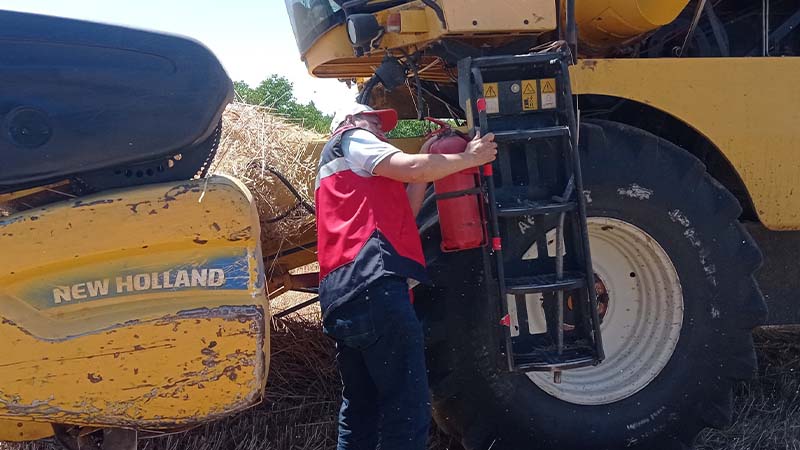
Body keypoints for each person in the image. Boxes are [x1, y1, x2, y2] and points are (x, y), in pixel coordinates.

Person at [315, 102, 497, 450]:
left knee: (360, 410)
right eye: (375, 123)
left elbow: (406, 208)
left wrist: (429, 158)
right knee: (408, 408)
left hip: (342, 297)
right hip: (375, 288)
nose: (382, 132)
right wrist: (470, 158)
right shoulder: (353, 138)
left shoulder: (339, 172)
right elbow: (410, 167)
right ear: (351, 121)